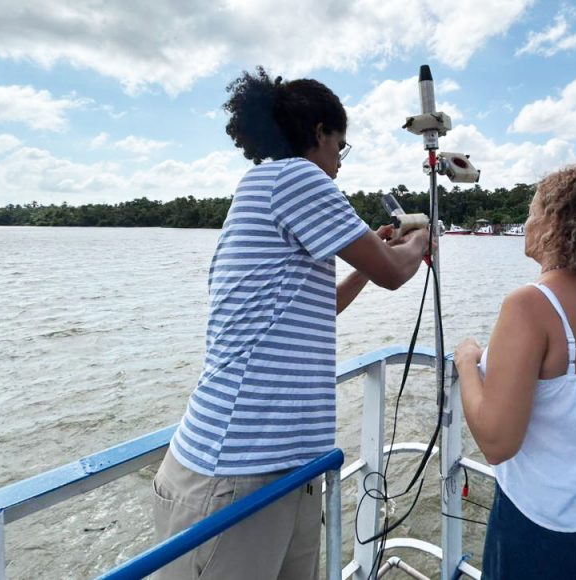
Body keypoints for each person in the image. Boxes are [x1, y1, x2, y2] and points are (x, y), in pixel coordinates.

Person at [151, 67, 431, 580]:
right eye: (339, 148)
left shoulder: (265, 185)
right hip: (238, 468)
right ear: (320, 132)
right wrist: (420, 238)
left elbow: (320, 305)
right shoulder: (298, 176)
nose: (338, 166)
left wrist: (370, 260)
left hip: (280, 468)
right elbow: (395, 273)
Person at [454, 163, 576, 579]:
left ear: (554, 223)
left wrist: (467, 363)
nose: (525, 222)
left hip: (545, 518)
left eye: (531, 210)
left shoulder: (530, 305)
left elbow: (496, 442)